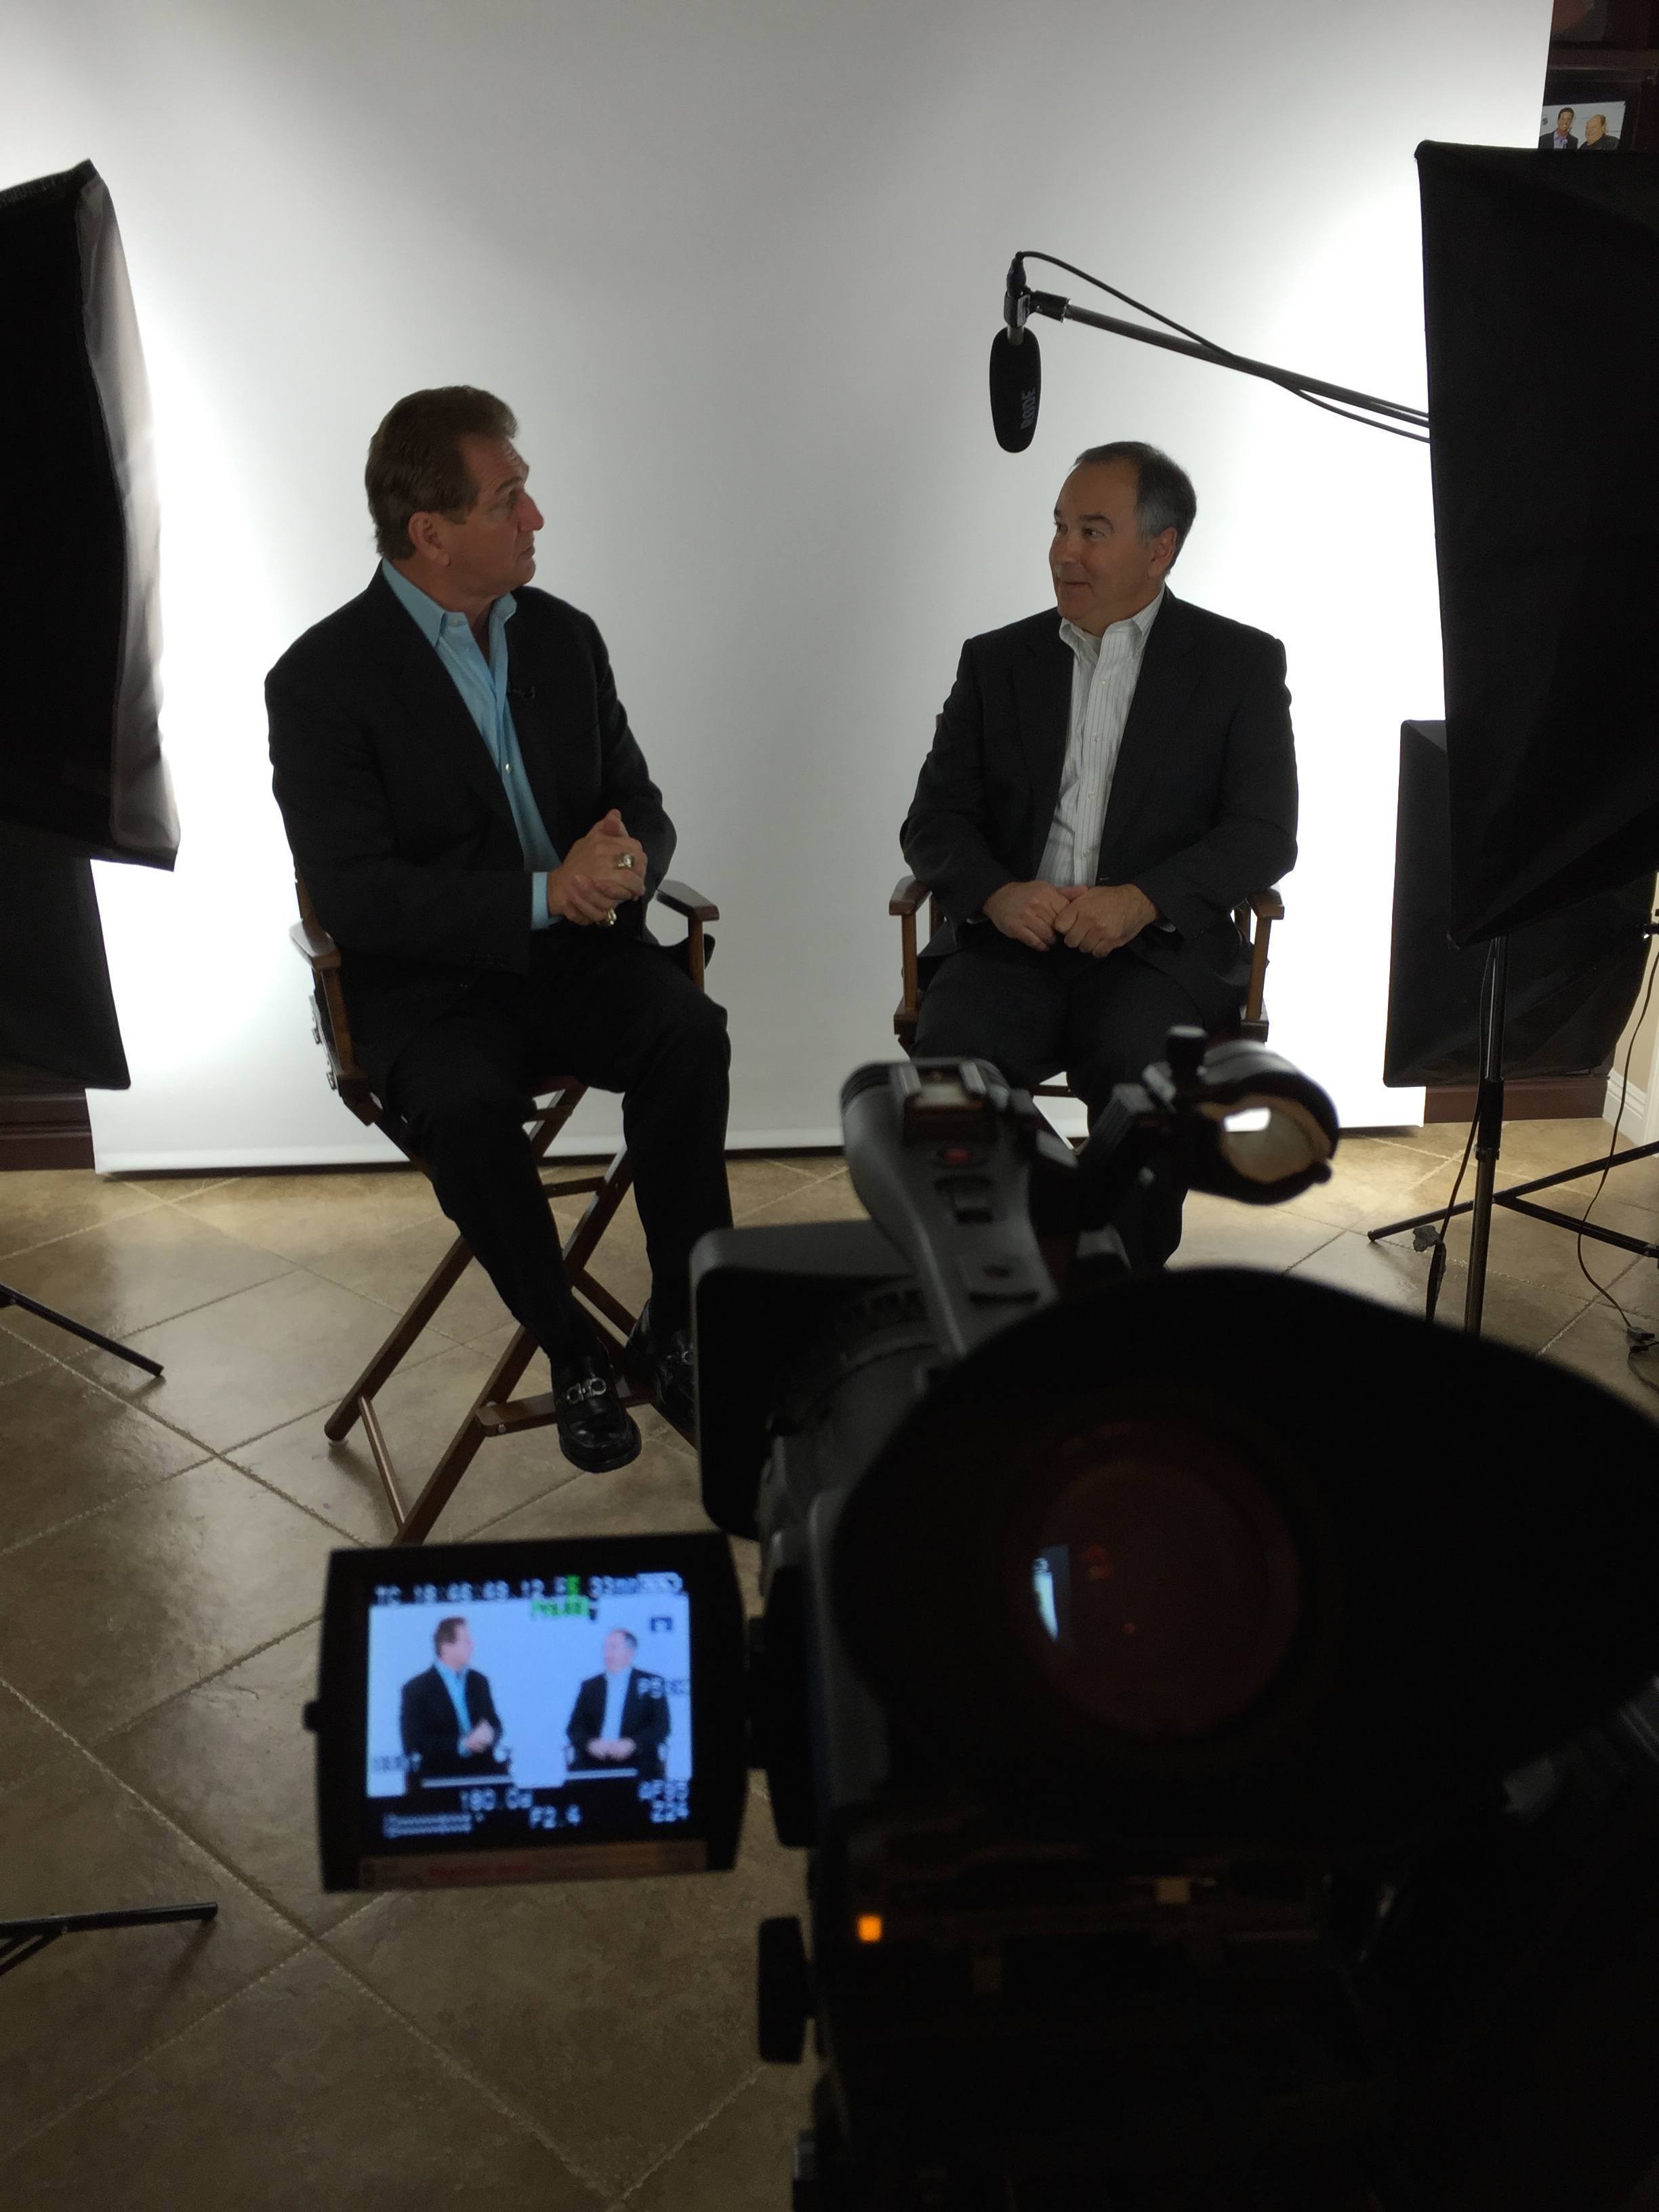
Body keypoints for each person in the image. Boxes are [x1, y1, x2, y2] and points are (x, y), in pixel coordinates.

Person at [268, 388, 731, 1469]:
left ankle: (679, 1326)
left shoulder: (565, 638)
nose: (536, 518)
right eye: (510, 497)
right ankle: (569, 1346)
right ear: (430, 532)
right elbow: (357, 896)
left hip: (575, 958)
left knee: (688, 1032)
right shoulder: (320, 681)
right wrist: (543, 893)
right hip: (427, 988)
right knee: (470, 1110)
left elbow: (641, 803)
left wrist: (631, 863)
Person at [901, 441, 1297, 1267]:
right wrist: (1002, 894)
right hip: (1013, 943)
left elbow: (1264, 833)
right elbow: (934, 824)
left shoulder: (1238, 665)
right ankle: (1005, 1279)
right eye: (1059, 527)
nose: (1063, 553)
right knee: (951, 1069)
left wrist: (1144, 899)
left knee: (1149, 1082)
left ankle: (1120, 1314)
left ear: (1161, 549)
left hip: (1156, 955)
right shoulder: (997, 662)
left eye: (1092, 530)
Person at [399, 1616, 507, 1792]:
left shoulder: (479, 1681)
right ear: (446, 1646)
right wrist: (462, 1745)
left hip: (483, 1771)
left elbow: (495, 1723)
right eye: (466, 1641)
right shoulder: (415, 1689)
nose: (472, 1645)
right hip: (439, 1778)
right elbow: (413, 1743)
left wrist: (490, 1734)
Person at [565, 1626, 670, 1781]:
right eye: (605, 1648)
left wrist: (633, 1744)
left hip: (638, 1759)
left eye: (613, 1647)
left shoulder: (651, 1682)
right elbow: (574, 1728)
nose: (607, 1653)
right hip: (594, 1760)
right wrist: (591, 1744)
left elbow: (662, 1726)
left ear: (630, 1652)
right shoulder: (590, 1686)